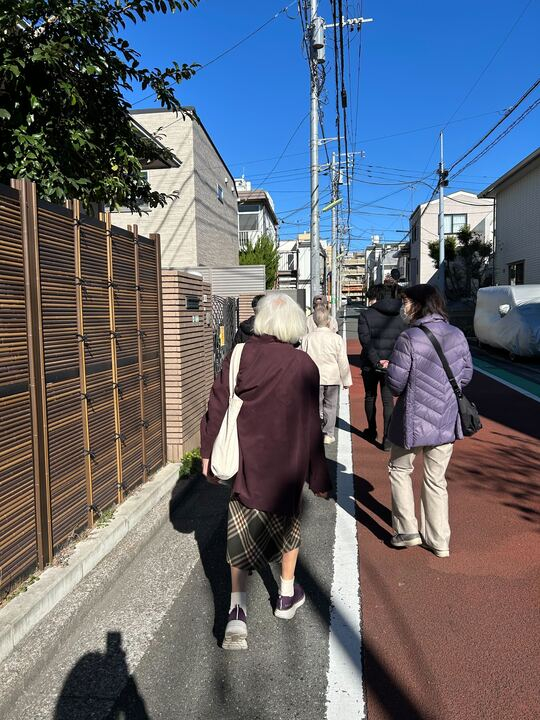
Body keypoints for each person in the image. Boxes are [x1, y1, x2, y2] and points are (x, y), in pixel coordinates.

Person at [200, 293, 331, 650]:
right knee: (288, 526)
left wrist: (207, 452)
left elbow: (217, 404)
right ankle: (286, 596)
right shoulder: (304, 364)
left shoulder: (239, 355)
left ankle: (236, 613)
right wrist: (319, 477)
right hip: (288, 466)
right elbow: (312, 426)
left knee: (240, 533)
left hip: (247, 461)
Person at [385, 284, 473, 558]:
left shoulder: (409, 337)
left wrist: (390, 370)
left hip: (412, 420)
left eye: (406, 301)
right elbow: (466, 374)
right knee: (436, 480)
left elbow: (396, 383)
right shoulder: (457, 334)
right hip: (446, 418)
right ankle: (439, 540)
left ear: (418, 304)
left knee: (400, 470)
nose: (404, 306)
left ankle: (407, 530)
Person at [357, 283, 406, 449]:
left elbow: (365, 341)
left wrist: (376, 361)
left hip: (370, 365)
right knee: (388, 401)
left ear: (376, 297)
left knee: (370, 396)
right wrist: (391, 360)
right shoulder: (401, 315)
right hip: (392, 364)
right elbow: (404, 341)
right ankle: (387, 439)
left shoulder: (366, 315)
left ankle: (372, 430)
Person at [301, 306, 352, 444]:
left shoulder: (306, 338)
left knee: (314, 406)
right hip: (332, 377)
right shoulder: (336, 338)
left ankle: (315, 431)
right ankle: (328, 434)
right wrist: (346, 380)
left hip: (313, 377)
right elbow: (342, 360)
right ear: (329, 320)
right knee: (330, 406)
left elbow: (301, 359)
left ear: (313, 321)